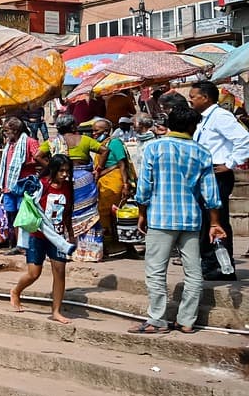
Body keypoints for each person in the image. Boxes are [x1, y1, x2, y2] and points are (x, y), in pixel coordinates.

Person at [133, 106, 227, 334]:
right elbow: (211, 195)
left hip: (160, 217)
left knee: (156, 270)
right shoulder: (202, 152)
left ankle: (157, 320)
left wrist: (142, 212)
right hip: (190, 219)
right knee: (193, 271)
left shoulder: (154, 148)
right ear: (192, 127)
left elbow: (144, 187)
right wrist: (215, 222)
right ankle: (186, 320)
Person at [189, 80, 249, 280]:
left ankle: (223, 266)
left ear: (205, 98)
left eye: (193, 97)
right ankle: (209, 263)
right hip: (205, 175)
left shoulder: (221, 117)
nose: (190, 100)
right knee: (206, 220)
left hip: (218, 175)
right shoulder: (204, 119)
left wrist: (230, 163)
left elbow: (243, 139)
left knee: (218, 219)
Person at [9, 154, 75, 324]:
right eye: (61, 170)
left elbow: (68, 212)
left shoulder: (68, 187)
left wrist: (71, 234)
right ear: (53, 170)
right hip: (37, 235)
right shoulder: (41, 186)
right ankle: (16, 291)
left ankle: (56, 311)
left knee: (59, 272)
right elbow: (27, 208)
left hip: (58, 236)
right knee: (33, 274)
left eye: (67, 171)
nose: (64, 174)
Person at [40, 114, 103, 263]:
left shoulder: (53, 142)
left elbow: (38, 156)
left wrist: (53, 170)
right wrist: (98, 169)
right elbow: (104, 150)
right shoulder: (85, 140)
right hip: (85, 180)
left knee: (65, 213)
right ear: (74, 126)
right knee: (89, 213)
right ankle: (88, 253)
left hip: (65, 180)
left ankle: (64, 249)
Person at [90, 118, 134, 259]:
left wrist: (126, 184)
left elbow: (122, 164)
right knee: (109, 215)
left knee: (109, 213)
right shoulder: (101, 144)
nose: (94, 133)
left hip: (115, 182)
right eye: (93, 130)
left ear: (106, 131)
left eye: (97, 130)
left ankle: (115, 246)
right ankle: (116, 246)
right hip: (105, 181)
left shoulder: (114, 143)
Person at [0, 117, 42, 255]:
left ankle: (28, 245)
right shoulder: (9, 144)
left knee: (25, 216)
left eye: (6, 130)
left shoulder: (30, 142)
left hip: (24, 185)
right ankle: (18, 245)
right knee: (13, 216)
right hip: (9, 186)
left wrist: (26, 164)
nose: (4, 133)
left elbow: (41, 160)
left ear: (15, 130)